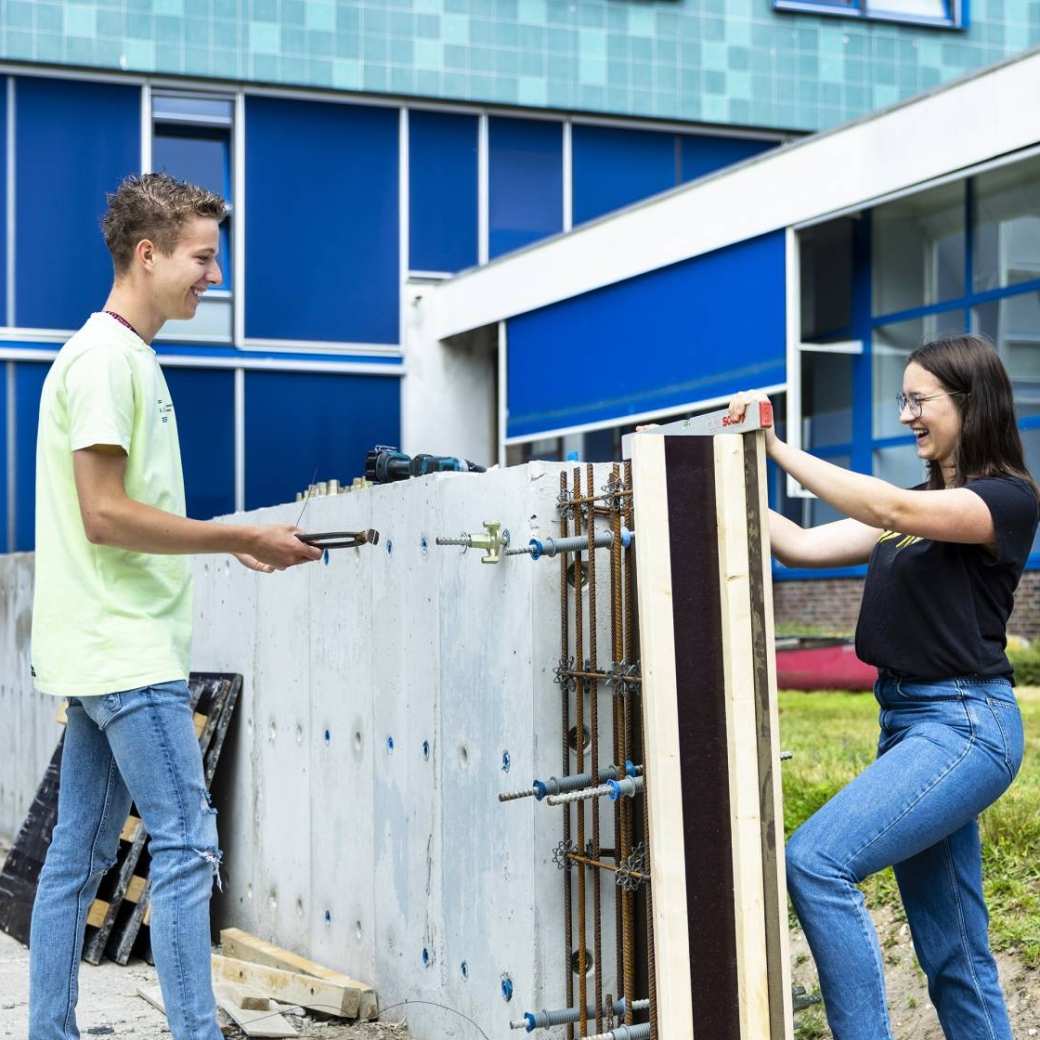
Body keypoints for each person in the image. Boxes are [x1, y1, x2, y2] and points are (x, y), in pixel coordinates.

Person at [28, 172, 323, 1040]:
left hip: (104, 646)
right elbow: (105, 513)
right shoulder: (104, 361)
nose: (213, 276)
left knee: (75, 860)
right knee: (188, 847)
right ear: (147, 254)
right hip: (127, 653)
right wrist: (239, 537)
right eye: (202, 259)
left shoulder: (126, 359)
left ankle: (51, 1031)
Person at [729, 333, 1038, 1040]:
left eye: (919, 400)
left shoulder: (1003, 502)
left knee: (816, 862)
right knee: (955, 950)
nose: (906, 415)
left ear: (970, 402)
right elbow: (799, 545)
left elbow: (889, 510)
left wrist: (778, 448)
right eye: (903, 400)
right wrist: (729, 465)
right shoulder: (918, 512)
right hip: (907, 726)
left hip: (965, 726)